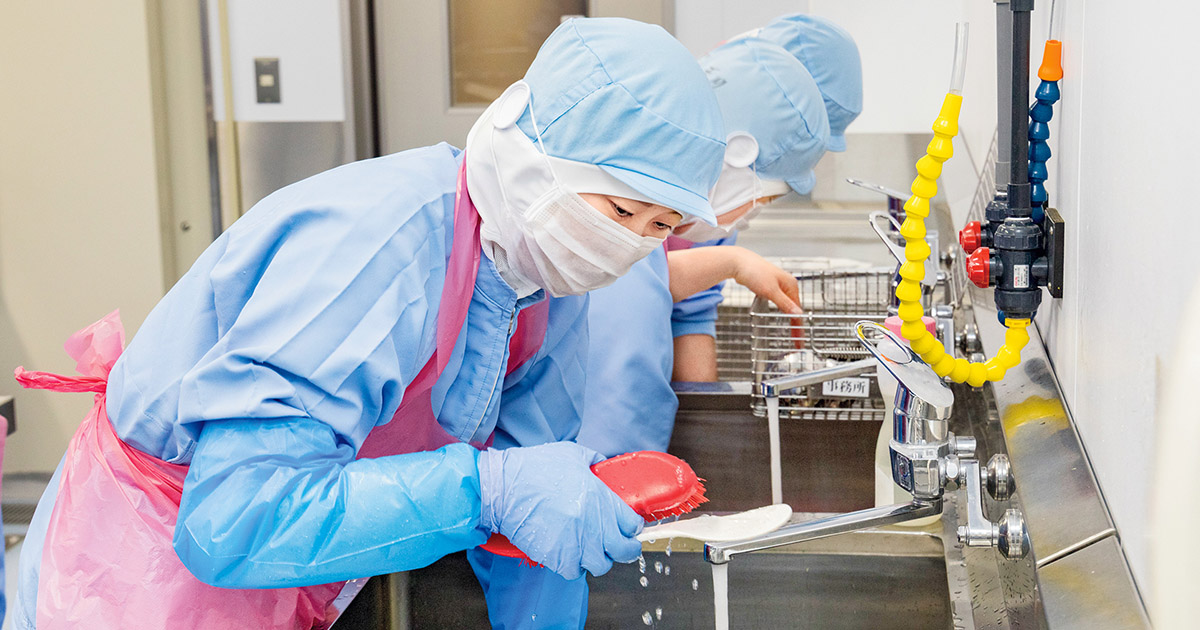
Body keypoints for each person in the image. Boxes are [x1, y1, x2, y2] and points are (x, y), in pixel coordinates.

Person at [11, 18, 726, 630]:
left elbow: (534, 515)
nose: (625, 245)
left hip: (292, 578)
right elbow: (233, 520)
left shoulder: (547, 279)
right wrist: (486, 490)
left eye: (659, 226)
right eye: (620, 210)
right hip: (137, 575)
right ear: (535, 154)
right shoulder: (378, 246)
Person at [577, 35, 834, 458]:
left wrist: (730, 261)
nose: (750, 214)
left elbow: (654, 289)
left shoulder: (651, 219)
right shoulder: (604, 213)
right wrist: (730, 261)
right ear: (734, 153)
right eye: (761, 199)